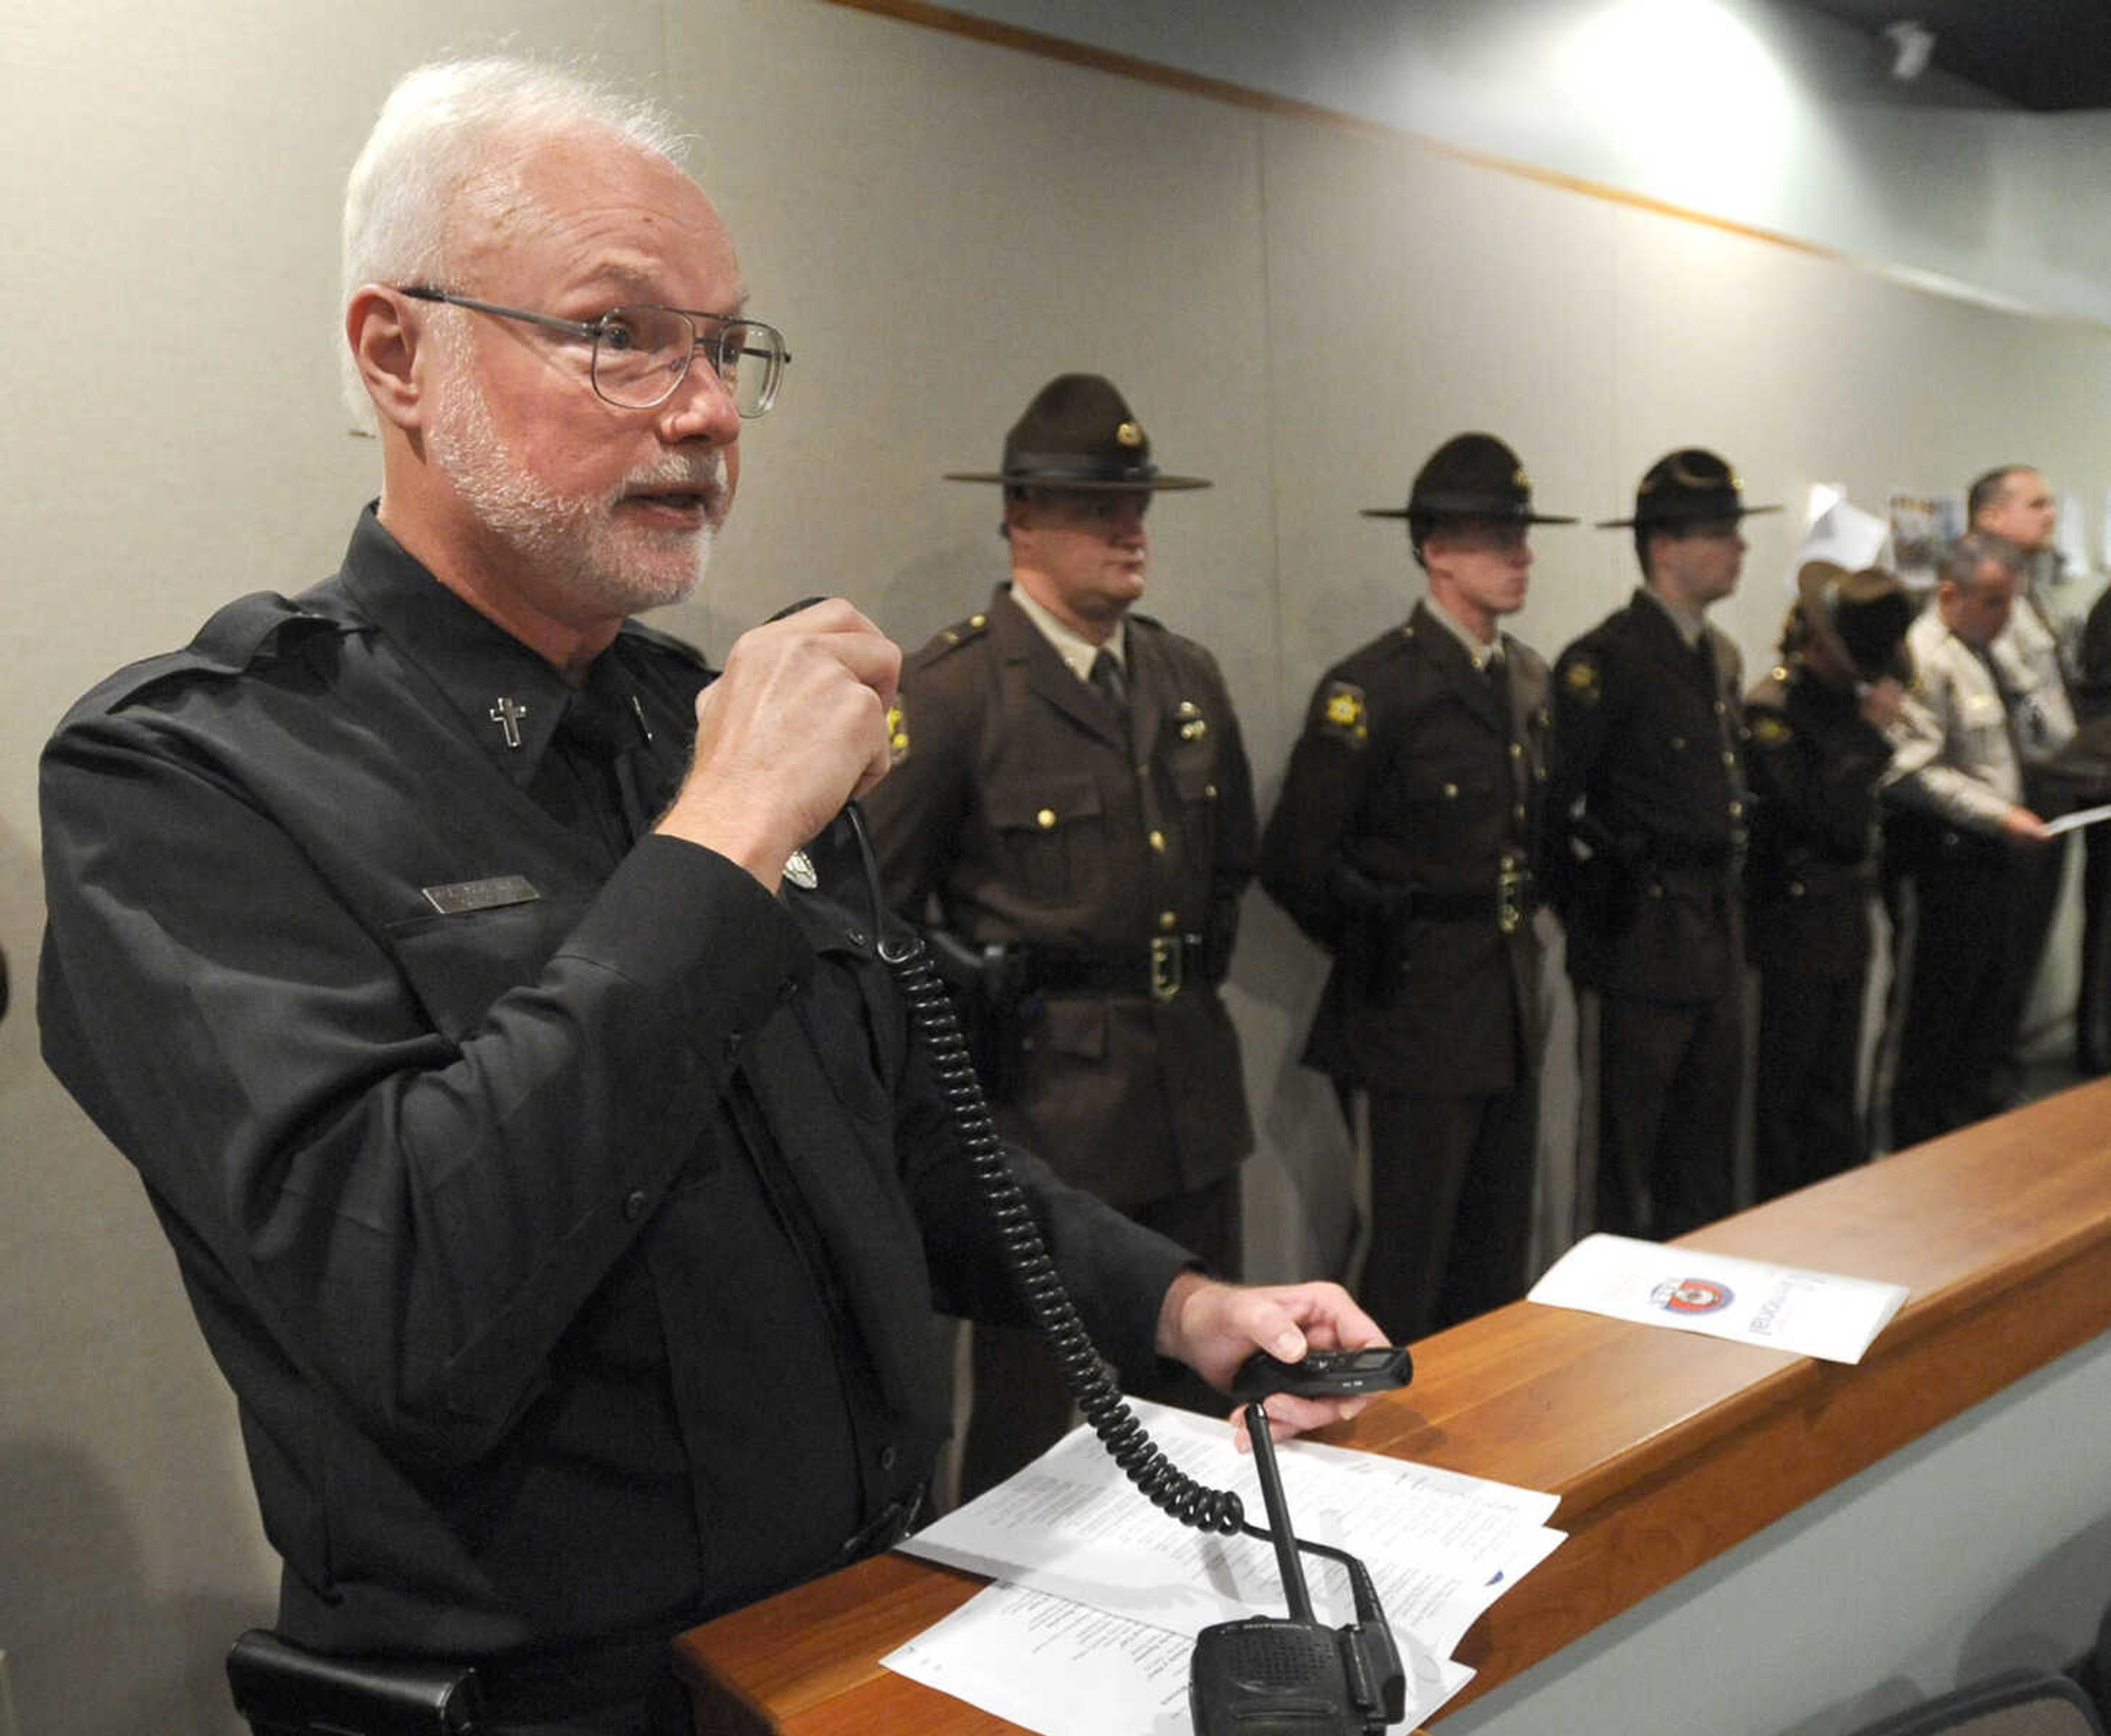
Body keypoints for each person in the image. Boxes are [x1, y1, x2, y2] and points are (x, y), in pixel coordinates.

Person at [35, 60, 1380, 1735]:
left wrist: (1170, 1298)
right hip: (565, 1696)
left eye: (725, 344)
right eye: (620, 334)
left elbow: (897, 1132)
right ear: (399, 353)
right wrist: (723, 834)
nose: (708, 409)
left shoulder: (688, 713)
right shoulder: (192, 776)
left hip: (868, 1628)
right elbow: (404, 1300)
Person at [859, 373, 1258, 1500]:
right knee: (1040, 1436)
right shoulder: (955, 690)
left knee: (1201, 1395)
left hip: (1189, 1092)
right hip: (1042, 1117)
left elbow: (1231, 865)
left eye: (1137, 502)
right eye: (1098, 506)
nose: (1131, 528)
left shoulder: (1183, 676)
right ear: (1022, 516)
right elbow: (869, 919)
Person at [1257, 433, 1568, 1341]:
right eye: (1492, 538)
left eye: (1521, 535)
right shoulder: (1374, 687)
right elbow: (1296, 860)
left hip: (1504, 1006)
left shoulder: (1524, 679)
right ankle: (1386, 1459)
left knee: (1496, 1260)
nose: (1520, 555)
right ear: (1435, 551)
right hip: (1412, 1019)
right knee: (1407, 1262)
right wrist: (1385, 951)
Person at [1544, 449, 1770, 1240]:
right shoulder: (1607, 661)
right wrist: (1596, 918)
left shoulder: (1714, 655)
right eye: (1720, 532)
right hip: (1638, 939)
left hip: (1711, 931)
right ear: (1664, 547)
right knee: (1620, 1156)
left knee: (1704, 1155)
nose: (1739, 548)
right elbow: (1550, 812)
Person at [1743, 561, 1914, 1201]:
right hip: (1791, 919)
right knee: (1785, 1096)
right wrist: (1870, 734)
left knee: (1838, 1092)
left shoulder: (1848, 702)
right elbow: (1823, 817)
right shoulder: (1775, 707)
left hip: (1846, 912)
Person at [1880, 533, 2055, 1148]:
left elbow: (2043, 735)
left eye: (2010, 602)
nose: (2003, 616)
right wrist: (1998, 814)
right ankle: (1927, 1147)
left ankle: (1971, 1136)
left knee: (1989, 1011)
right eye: (1991, 601)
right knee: (1940, 1019)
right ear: (1949, 593)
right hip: (1948, 859)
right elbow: (1909, 769)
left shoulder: (1986, 649)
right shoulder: (1925, 657)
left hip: (1994, 857)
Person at [1965, 466, 2079, 1089]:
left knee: (2022, 952)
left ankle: (1997, 1072)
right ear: (1991, 517)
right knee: (1993, 961)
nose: (2050, 514)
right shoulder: (1980, 606)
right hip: (2006, 799)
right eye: (2036, 503)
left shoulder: (2032, 596)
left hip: (2051, 786)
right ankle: (1979, 1084)